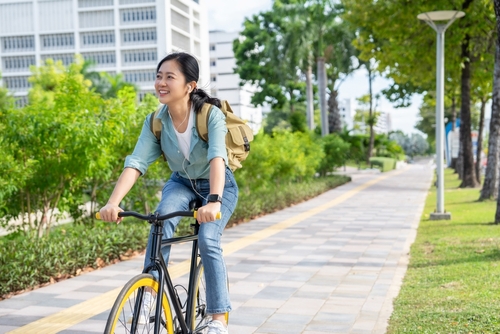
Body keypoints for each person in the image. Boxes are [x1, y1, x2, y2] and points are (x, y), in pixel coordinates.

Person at [99, 52, 238, 334]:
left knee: (208, 240)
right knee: (161, 218)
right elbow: (136, 163)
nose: (161, 83)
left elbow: (217, 159)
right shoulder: (156, 121)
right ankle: (148, 295)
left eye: (169, 77)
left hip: (217, 184)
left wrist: (213, 201)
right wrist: (113, 202)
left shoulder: (210, 115)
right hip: (181, 182)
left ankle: (218, 318)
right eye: (159, 76)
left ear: (190, 86)